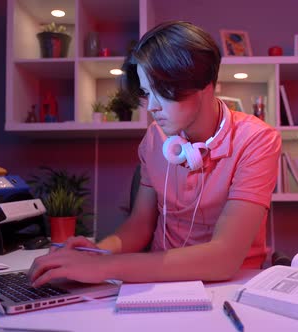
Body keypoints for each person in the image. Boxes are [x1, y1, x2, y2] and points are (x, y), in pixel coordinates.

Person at [29, 21, 281, 287]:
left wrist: (103, 266)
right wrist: (96, 253)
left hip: (231, 286)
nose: (151, 107)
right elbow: (139, 225)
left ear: (205, 83)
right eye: (147, 93)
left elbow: (224, 258)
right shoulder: (154, 138)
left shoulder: (257, 140)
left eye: (162, 91)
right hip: (157, 282)